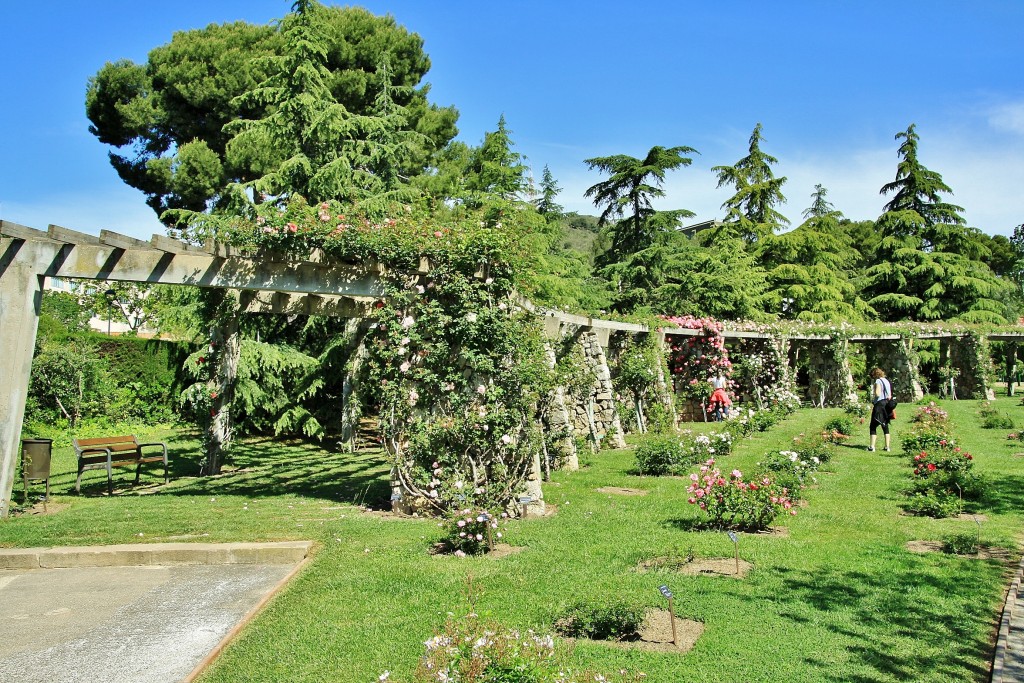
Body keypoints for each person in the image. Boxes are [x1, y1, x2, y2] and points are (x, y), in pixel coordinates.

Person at [868, 367, 892, 452]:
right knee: (885, 425)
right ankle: (887, 447)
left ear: (874, 374)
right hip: (887, 404)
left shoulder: (878, 381)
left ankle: (872, 447)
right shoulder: (886, 381)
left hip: (879, 404)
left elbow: (878, 394)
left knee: (873, 425)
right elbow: (889, 394)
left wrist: (874, 392)